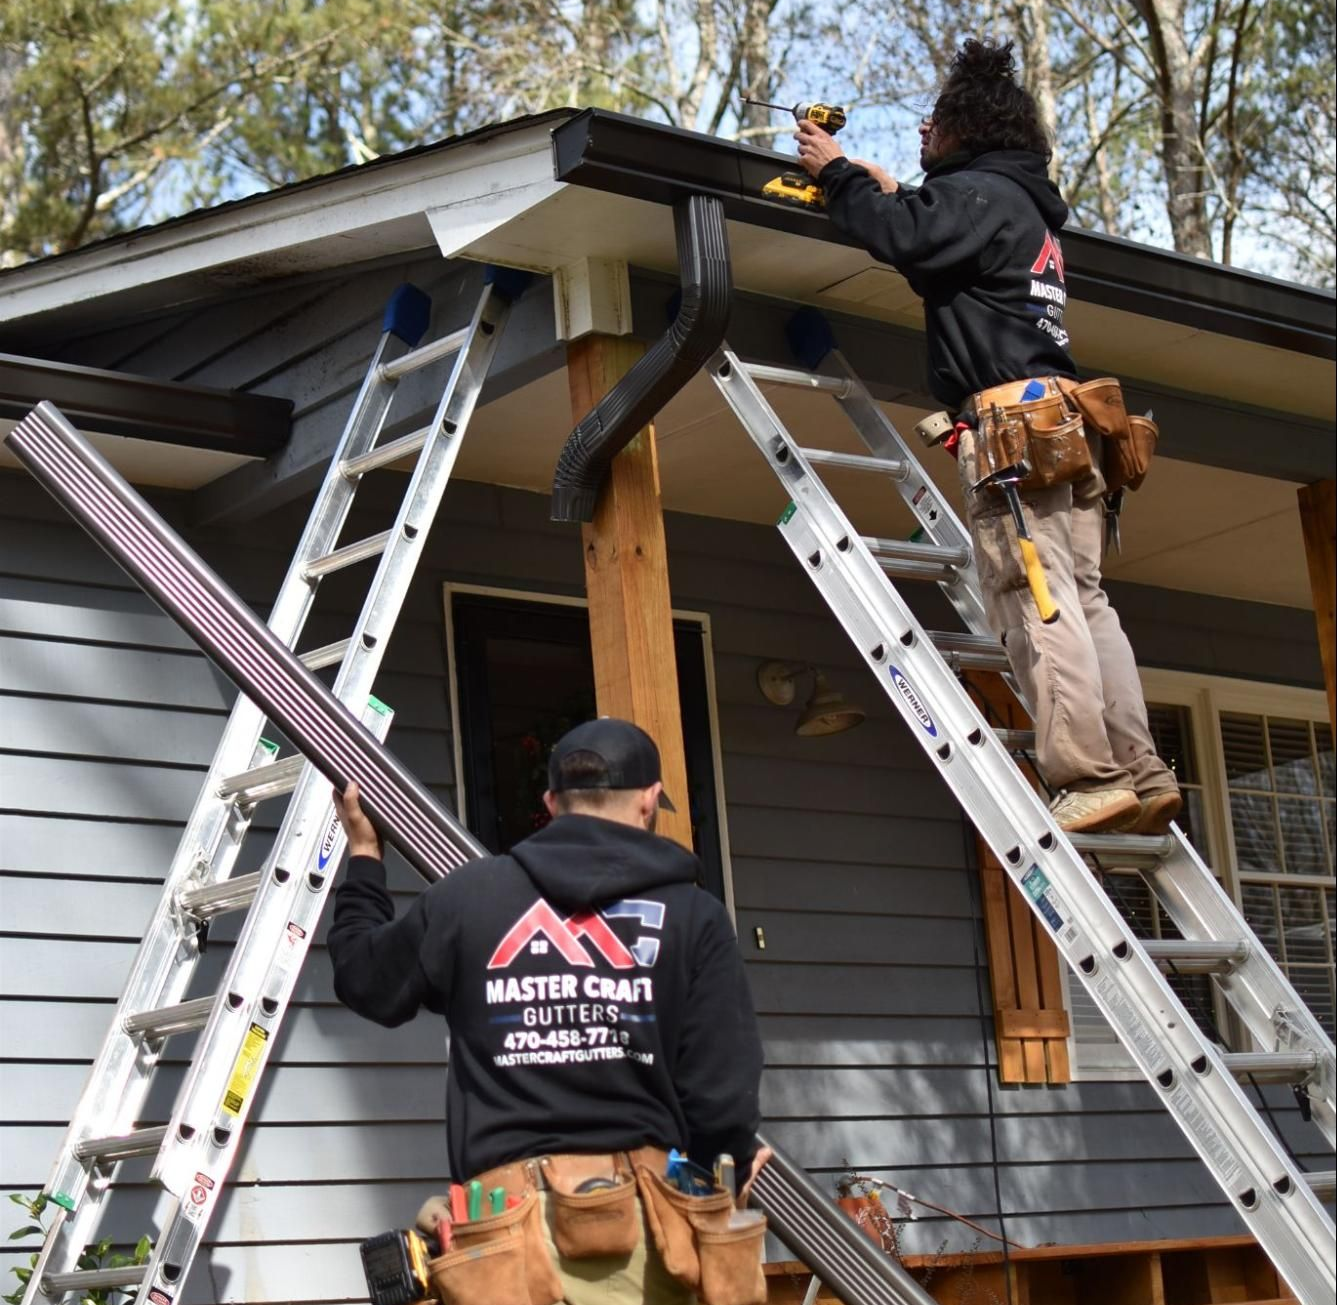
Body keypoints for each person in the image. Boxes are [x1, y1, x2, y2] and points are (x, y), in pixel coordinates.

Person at [793, 38, 1182, 836]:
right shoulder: (1015, 205)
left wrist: (833, 170)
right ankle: (1140, 770)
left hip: (1013, 434)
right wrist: (889, 189)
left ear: (964, 129)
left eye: (932, 122)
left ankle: (1087, 774)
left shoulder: (977, 197)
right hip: (1062, 424)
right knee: (1084, 600)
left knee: (1033, 594)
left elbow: (903, 236)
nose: (921, 132)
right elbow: (933, 246)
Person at [328, 717, 767, 1305]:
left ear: (551, 804)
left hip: (499, 1248)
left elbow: (366, 981)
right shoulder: (694, 918)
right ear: (650, 800)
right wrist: (728, 1151)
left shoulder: (468, 900)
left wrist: (363, 853)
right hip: (643, 1246)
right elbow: (720, 1097)